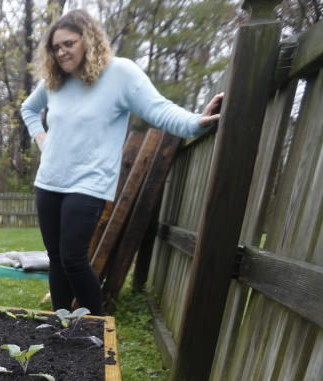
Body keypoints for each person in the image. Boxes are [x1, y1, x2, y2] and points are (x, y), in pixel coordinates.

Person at [20, 9, 222, 316]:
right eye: (55, 47)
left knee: (73, 257)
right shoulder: (55, 81)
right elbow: (29, 109)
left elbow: (159, 110)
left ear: (88, 40)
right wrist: (41, 138)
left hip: (89, 183)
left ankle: (94, 330)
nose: (61, 52)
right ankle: (58, 328)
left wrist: (196, 122)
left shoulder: (120, 74)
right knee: (57, 258)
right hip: (49, 181)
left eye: (68, 44)